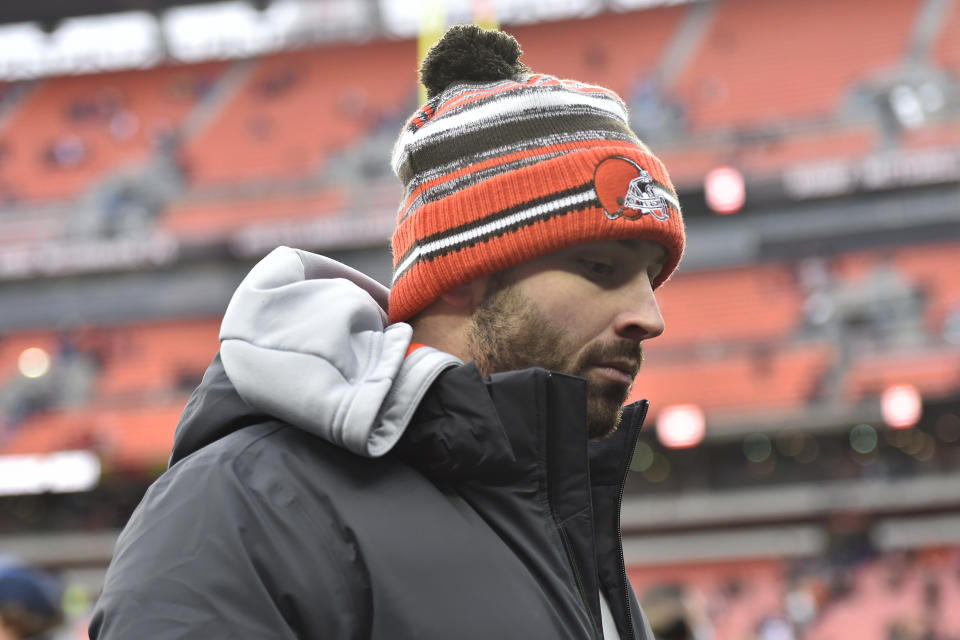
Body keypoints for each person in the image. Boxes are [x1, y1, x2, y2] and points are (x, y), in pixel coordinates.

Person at [90, 24, 685, 639]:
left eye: (649, 275)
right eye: (599, 267)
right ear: (464, 271)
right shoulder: (241, 508)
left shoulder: (558, 522)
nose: (650, 316)